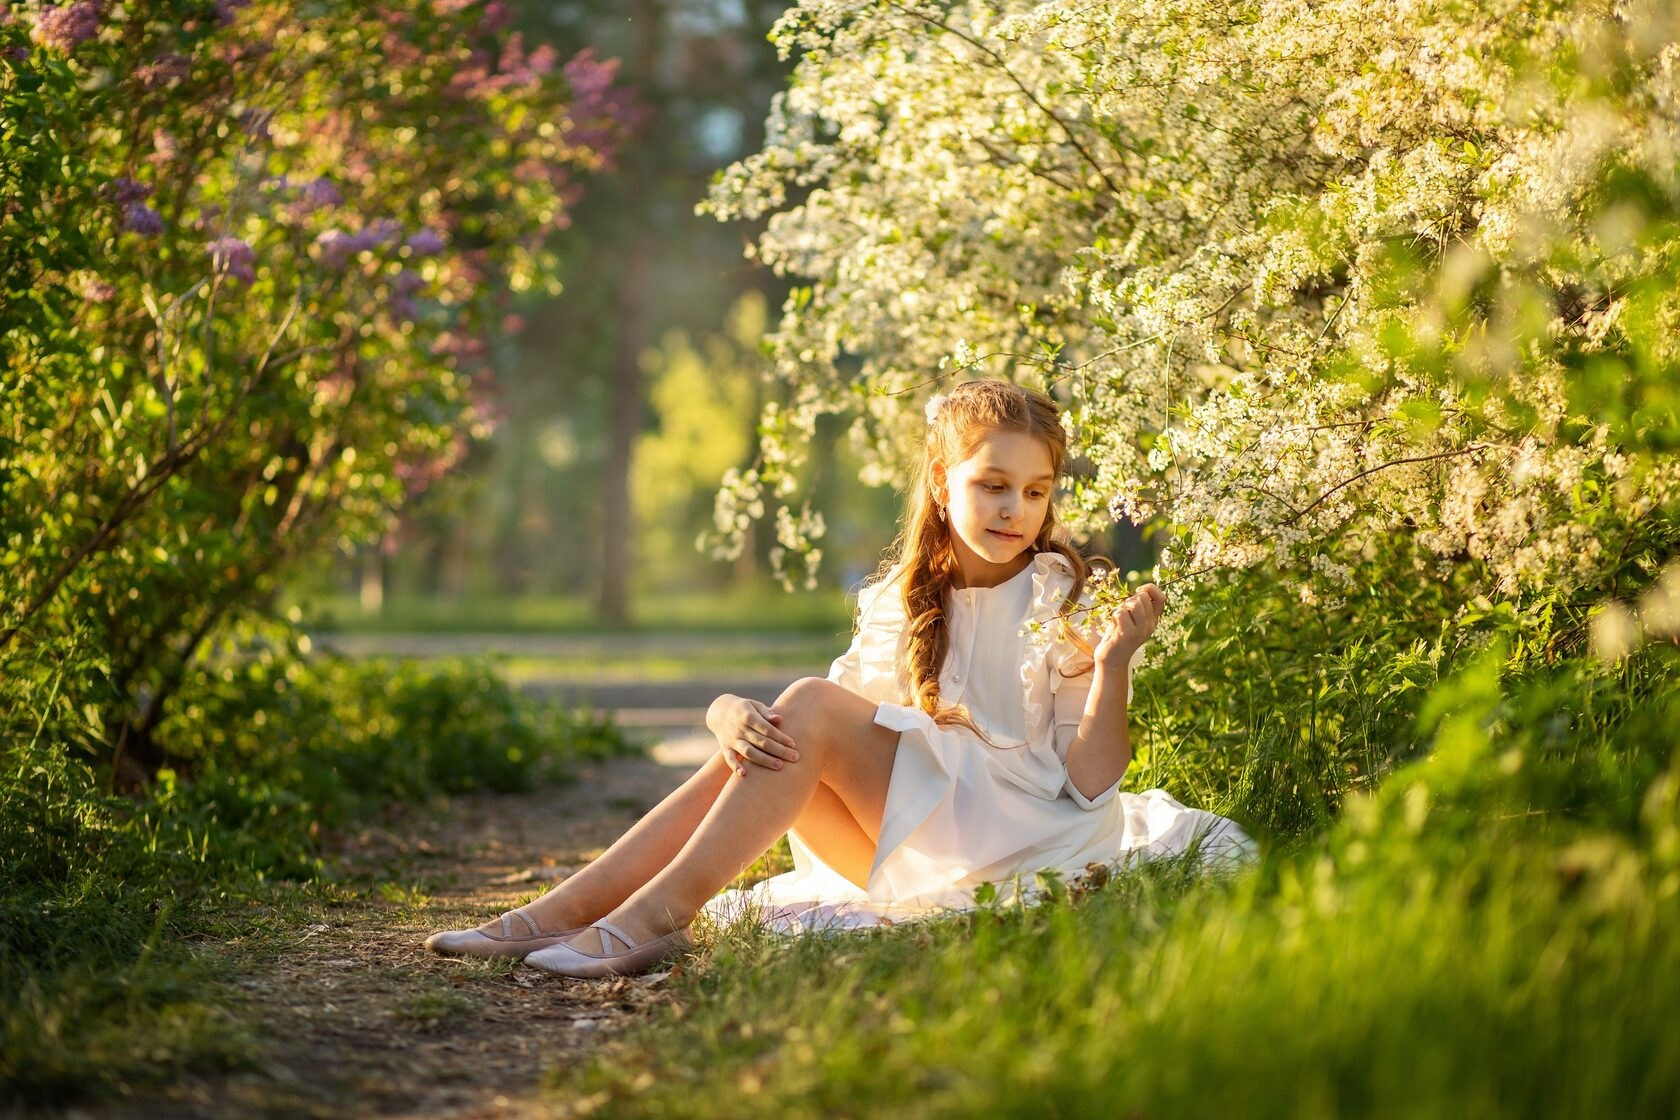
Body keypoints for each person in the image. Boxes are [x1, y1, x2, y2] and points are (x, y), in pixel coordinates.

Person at [424, 379, 1253, 977]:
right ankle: (571, 910)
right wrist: (723, 712)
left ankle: (645, 916)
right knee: (777, 731)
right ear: (942, 482)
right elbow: (810, 730)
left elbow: (1091, 781)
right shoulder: (902, 595)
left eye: (1035, 492)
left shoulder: (1061, 594)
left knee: (805, 712)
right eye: (992, 485)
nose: (1015, 511)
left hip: (1033, 836)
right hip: (933, 840)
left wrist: (1114, 668)